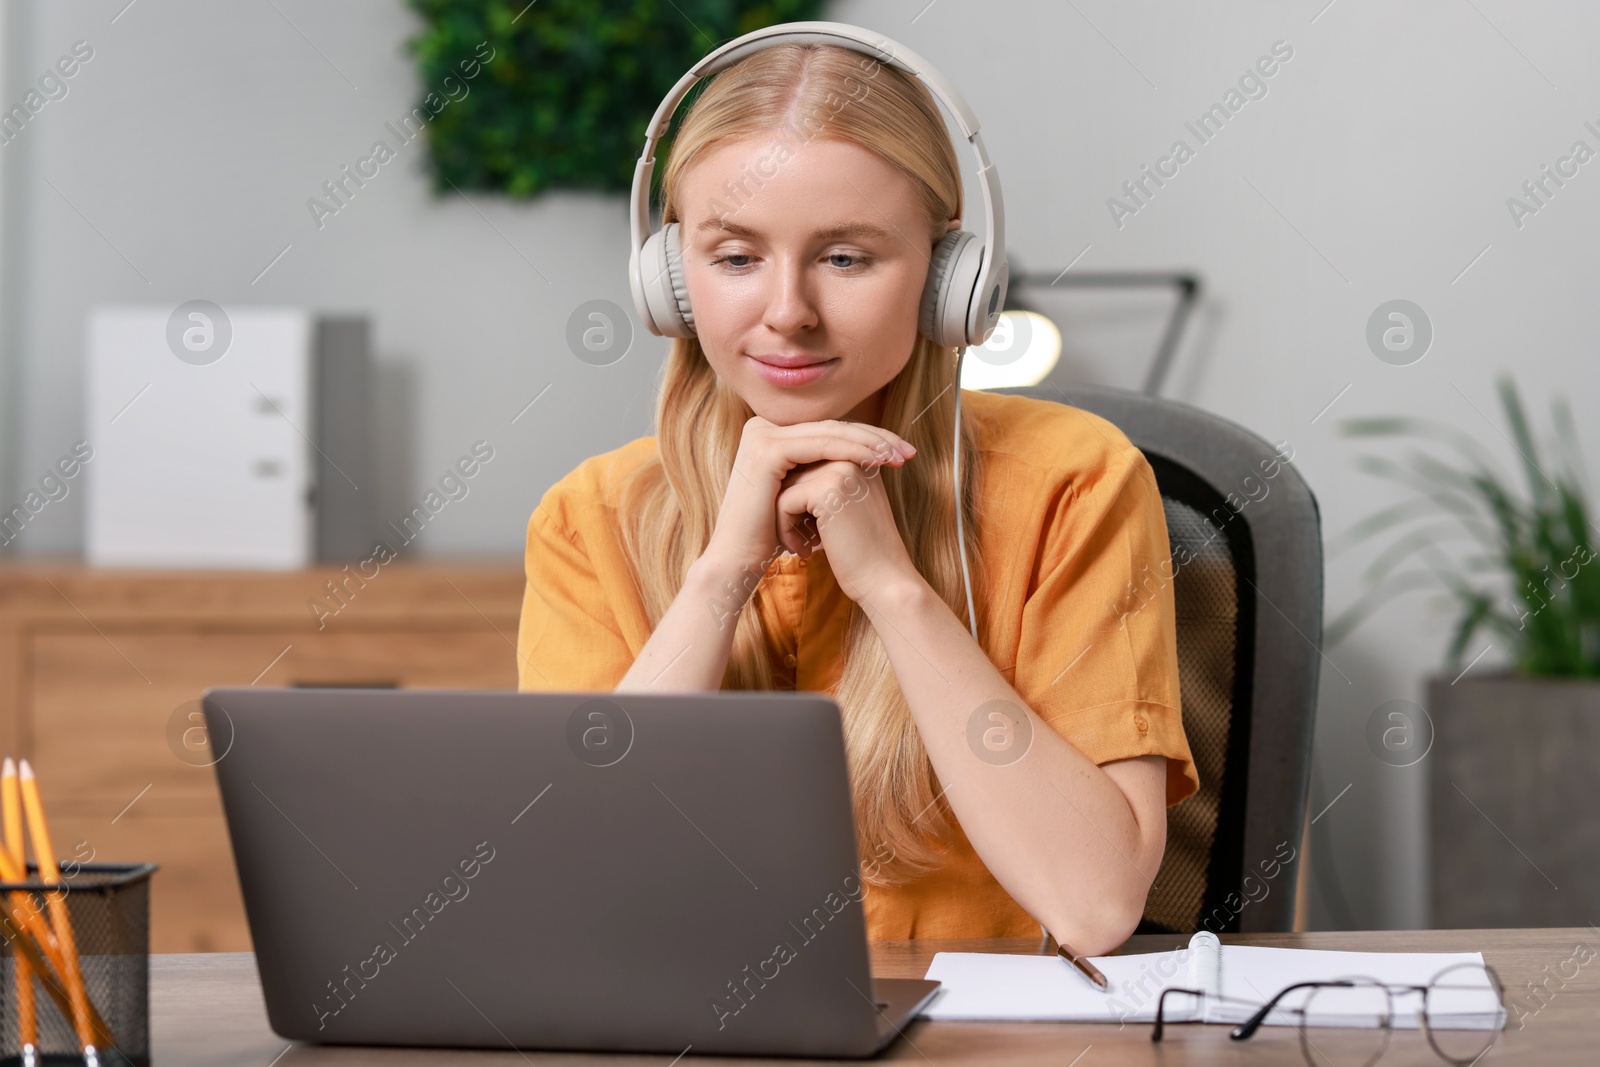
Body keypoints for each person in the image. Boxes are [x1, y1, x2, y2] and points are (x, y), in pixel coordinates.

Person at [516, 39, 1199, 955]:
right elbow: (573, 892)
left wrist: (893, 589)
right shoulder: (590, 514)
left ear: (948, 279)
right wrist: (722, 575)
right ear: (670, 280)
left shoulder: (1075, 481)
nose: (787, 310)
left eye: (844, 258)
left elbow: (1093, 906)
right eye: (734, 256)